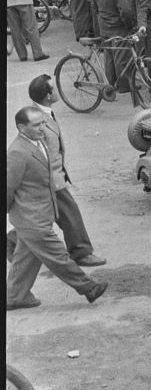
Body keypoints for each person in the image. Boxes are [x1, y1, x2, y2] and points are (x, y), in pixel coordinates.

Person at [7, 107, 109, 311]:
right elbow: (8, 187)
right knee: (58, 256)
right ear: (21, 128)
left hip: (40, 214)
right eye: (36, 125)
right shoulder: (17, 152)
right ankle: (89, 288)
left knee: (25, 258)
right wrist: (16, 214)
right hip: (31, 218)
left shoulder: (38, 141)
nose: (42, 128)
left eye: (43, 123)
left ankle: (14, 297)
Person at [6, 76, 106, 269]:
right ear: (48, 95)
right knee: (68, 213)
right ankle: (81, 252)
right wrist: (50, 178)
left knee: (45, 219)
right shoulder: (37, 120)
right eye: (54, 89)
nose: (59, 91)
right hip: (49, 178)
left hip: (54, 176)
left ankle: (13, 240)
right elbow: (38, 151)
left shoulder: (43, 112)